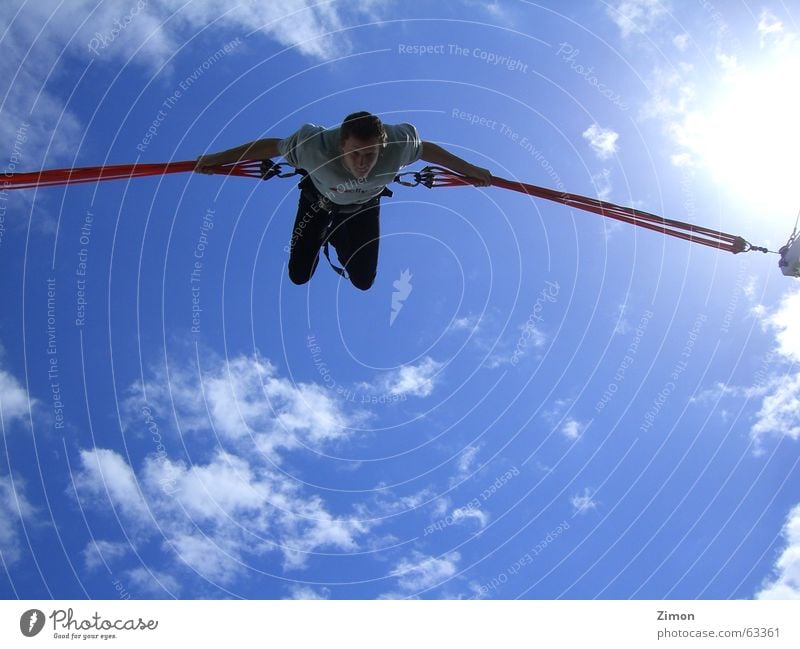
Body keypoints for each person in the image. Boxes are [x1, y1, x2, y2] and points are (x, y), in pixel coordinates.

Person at [195, 111, 492, 290]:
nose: (362, 163)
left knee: (363, 281)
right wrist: (216, 159)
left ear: (383, 146)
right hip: (318, 203)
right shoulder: (312, 146)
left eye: (370, 155)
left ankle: (337, 234)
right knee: (299, 275)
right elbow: (272, 146)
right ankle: (327, 228)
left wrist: (470, 169)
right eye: (354, 154)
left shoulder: (399, 145)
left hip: (362, 207)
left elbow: (426, 150)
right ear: (340, 145)